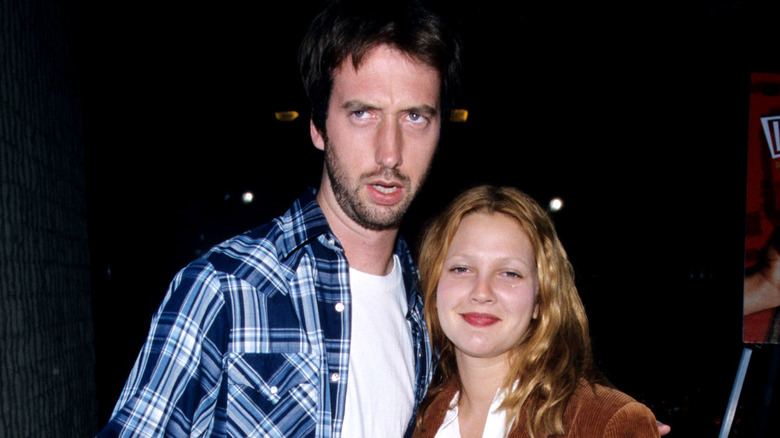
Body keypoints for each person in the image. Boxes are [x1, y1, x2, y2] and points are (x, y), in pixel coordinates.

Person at [96, 1, 461, 437]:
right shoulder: (226, 287)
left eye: (415, 117)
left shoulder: (433, 306)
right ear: (318, 128)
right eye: (362, 114)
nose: (390, 153)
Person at [413, 185, 661, 438]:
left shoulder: (606, 422)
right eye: (461, 268)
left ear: (540, 299)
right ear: (433, 287)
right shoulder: (415, 421)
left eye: (510, 273)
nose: (482, 292)